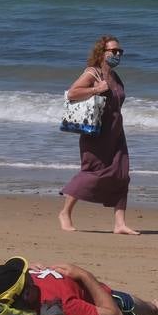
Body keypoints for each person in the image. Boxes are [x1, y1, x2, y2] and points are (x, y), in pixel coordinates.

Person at [59, 35, 137, 235]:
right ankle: (65, 212)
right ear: (102, 53)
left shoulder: (115, 77)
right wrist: (96, 89)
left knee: (121, 174)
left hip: (116, 132)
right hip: (95, 132)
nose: (118, 54)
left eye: (120, 52)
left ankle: (119, 223)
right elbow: (72, 93)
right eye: (114, 51)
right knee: (92, 172)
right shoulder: (92, 73)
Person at [0, 256, 158, 315]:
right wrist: (84, 275)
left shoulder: (32, 279)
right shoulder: (60, 305)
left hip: (101, 294)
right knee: (151, 311)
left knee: (152, 310)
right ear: (26, 292)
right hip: (110, 299)